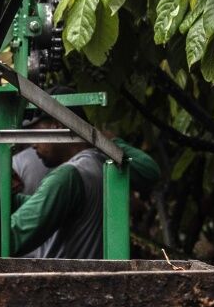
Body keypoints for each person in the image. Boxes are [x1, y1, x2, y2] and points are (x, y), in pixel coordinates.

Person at [9, 108, 159, 258]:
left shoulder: (68, 175)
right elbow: (49, 206)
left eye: (36, 134)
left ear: (57, 125)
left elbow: (12, 236)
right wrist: (9, 199)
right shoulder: (101, 163)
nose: (33, 145)